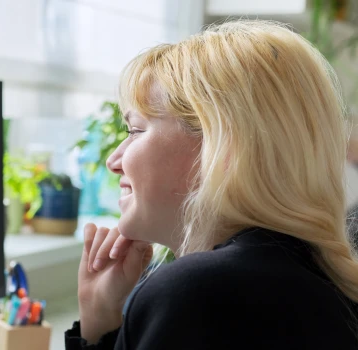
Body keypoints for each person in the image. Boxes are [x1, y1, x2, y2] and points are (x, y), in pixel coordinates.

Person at [66, 20, 358, 349]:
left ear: (217, 144)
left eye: (135, 130)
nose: (113, 160)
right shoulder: (326, 279)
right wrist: (100, 318)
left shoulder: (197, 293)